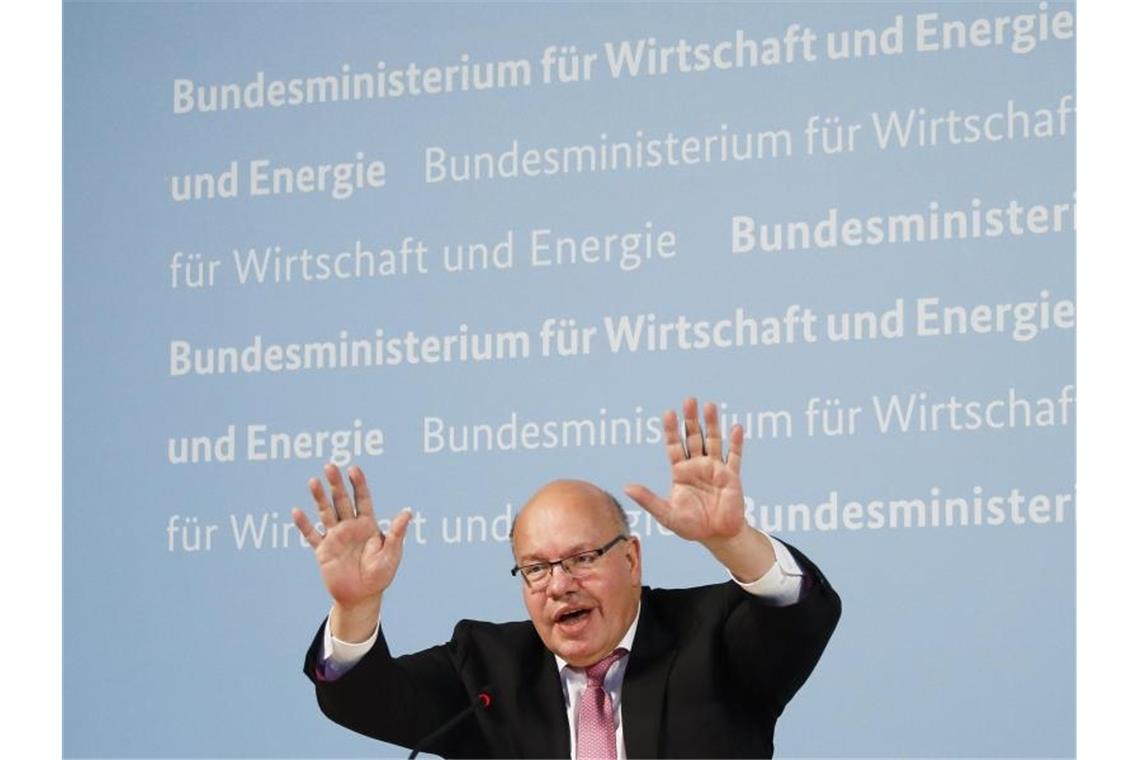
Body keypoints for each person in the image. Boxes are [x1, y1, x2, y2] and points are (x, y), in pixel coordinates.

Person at [294, 397, 841, 758]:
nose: (559, 584)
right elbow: (360, 699)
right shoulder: (487, 670)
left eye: (582, 559)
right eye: (536, 568)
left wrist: (731, 541)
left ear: (631, 561)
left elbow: (802, 615)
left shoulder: (709, 637)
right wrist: (357, 606)